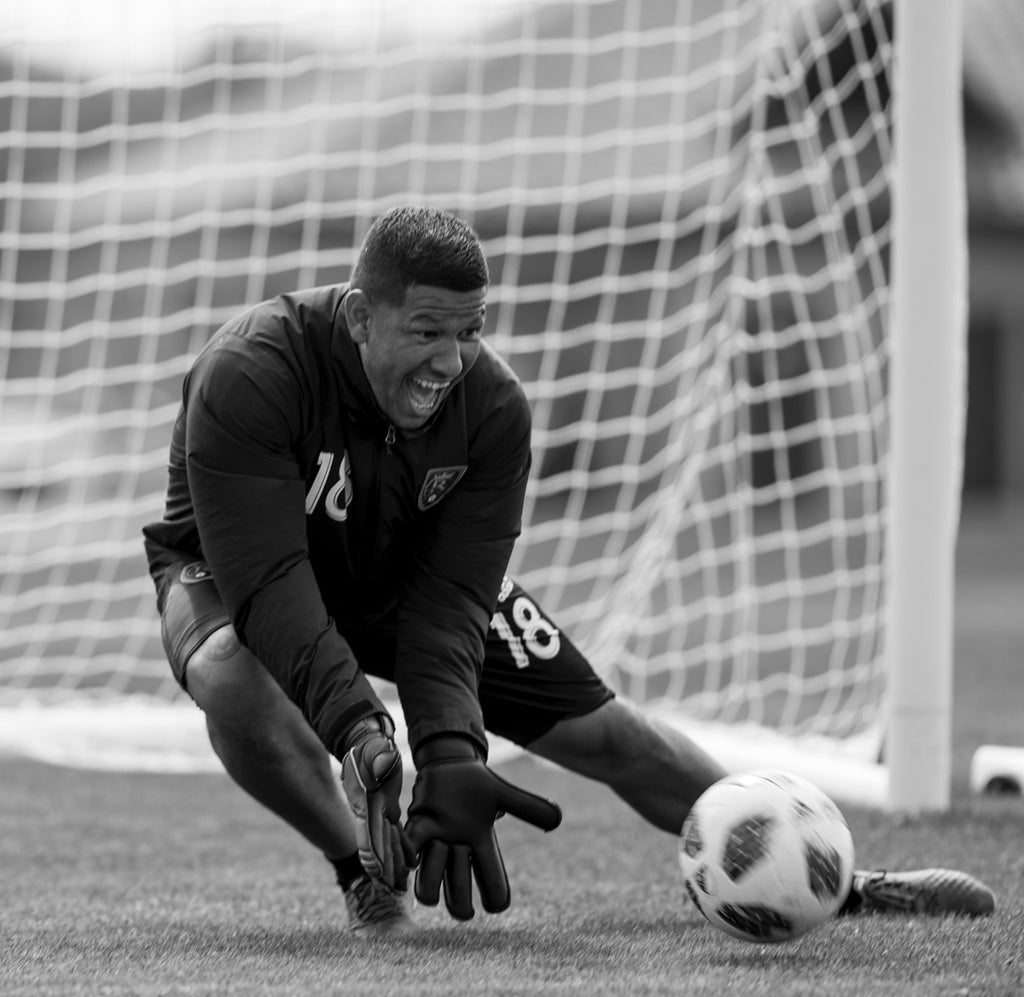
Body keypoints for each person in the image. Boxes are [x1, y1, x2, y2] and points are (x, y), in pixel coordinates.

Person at [143, 206, 994, 935]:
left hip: (401, 573)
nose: (449, 361)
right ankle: (361, 872)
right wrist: (364, 732)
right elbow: (270, 585)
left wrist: (450, 753)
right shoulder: (253, 372)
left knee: (610, 734)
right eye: (429, 331)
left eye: (470, 332)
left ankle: (836, 881)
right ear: (362, 317)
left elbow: (447, 609)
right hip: (235, 572)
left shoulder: (493, 409)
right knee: (232, 676)